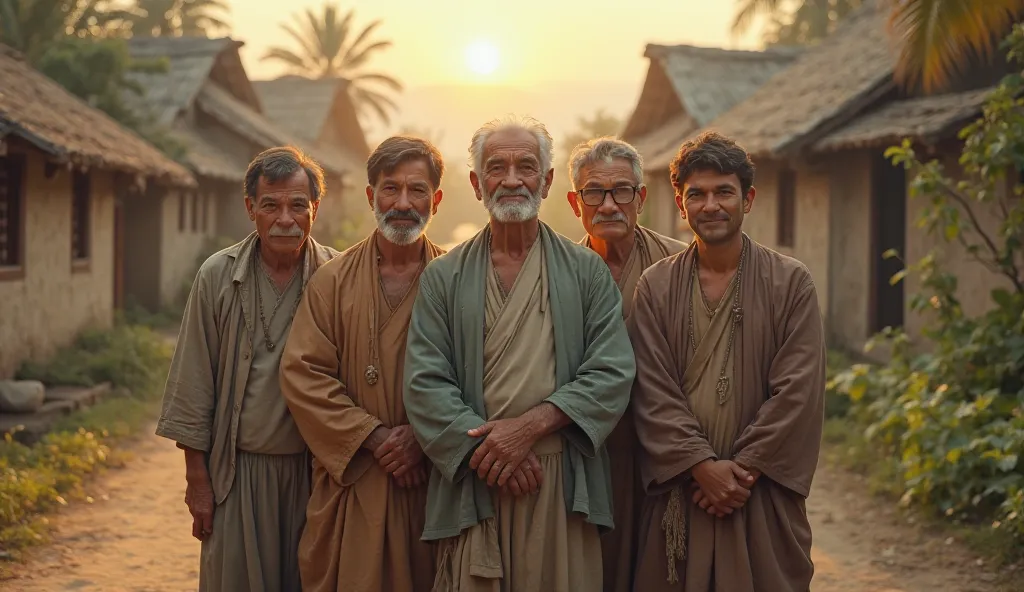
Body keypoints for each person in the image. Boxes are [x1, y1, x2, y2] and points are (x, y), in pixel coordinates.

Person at [403, 115, 636, 592]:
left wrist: (529, 429)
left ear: (547, 181)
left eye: (526, 166)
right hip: (478, 476)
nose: (511, 179)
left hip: (559, 481)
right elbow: (425, 382)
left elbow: (611, 372)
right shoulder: (443, 277)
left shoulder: (585, 272)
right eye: (496, 167)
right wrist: (489, 450)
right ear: (475, 182)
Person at [627, 131, 826, 592]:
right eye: (696, 194)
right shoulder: (656, 287)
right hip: (684, 493)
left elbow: (798, 392)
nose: (710, 205)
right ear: (681, 205)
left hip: (760, 496)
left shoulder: (790, 283)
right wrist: (700, 466)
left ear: (748, 198)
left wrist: (740, 472)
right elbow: (651, 391)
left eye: (724, 192)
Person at [155, 146, 340, 591]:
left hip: (313, 475)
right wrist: (197, 481)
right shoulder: (217, 276)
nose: (285, 219)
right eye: (271, 205)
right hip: (236, 475)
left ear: (315, 209)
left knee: (310, 580)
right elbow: (193, 381)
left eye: (299, 206)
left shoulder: (336, 275)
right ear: (250, 209)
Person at [278, 136, 447, 592]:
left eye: (417, 191)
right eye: (390, 189)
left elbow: (482, 376)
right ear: (371, 197)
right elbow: (303, 374)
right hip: (353, 485)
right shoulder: (331, 281)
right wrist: (374, 438)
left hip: (428, 484)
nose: (403, 203)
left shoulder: (457, 281)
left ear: (437, 199)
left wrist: (421, 436)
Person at [566, 136, 686, 592]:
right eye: (594, 192)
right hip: (584, 456)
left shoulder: (680, 264)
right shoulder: (557, 271)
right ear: (575, 201)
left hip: (664, 457)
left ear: (642, 197)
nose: (609, 204)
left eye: (622, 191)